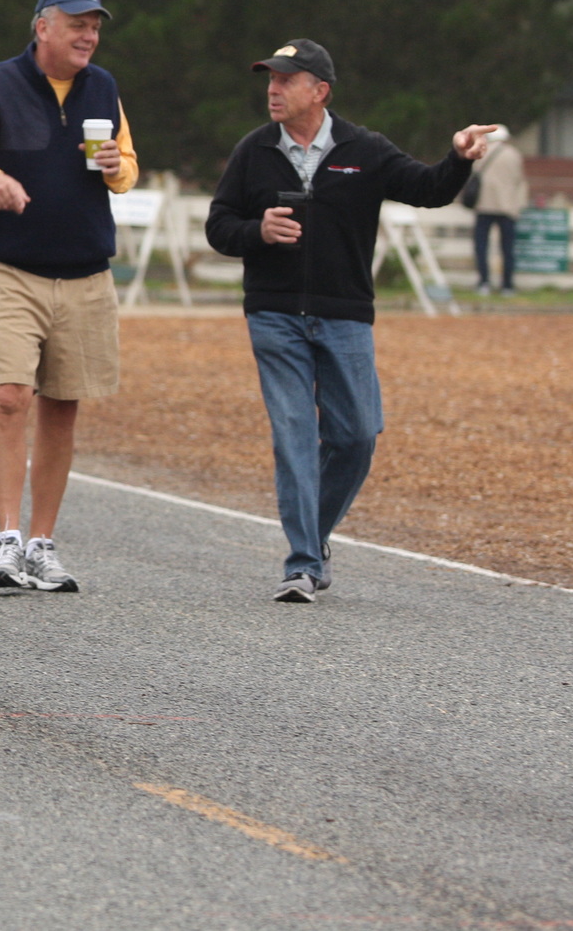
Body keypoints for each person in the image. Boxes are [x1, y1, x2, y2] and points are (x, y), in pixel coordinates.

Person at [205, 40, 495, 603]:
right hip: (274, 315)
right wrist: (255, 232)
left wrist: (458, 157)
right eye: (270, 78)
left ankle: (314, 539)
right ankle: (303, 565)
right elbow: (219, 224)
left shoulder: (366, 149)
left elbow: (429, 190)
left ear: (320, 90)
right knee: (294, 435)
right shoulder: (253, 151)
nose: (273, 88)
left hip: (346, 316)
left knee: (357, 435)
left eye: (287, 79)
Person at [0, 0, 137, 593]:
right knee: (9, 397)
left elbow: (129, 168)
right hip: (8, 270)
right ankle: (5, 542)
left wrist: (116, 167)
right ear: (43, 27)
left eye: (96, 25)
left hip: (84, 274)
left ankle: (41, 545)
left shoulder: (103, 88)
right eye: (78, 23)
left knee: (63, 406)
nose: (90, 35)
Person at [470, 127, 527, 294]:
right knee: (507, 248)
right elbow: (520, 181)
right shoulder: (514, 154)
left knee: (481, 246)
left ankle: (484, 283)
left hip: (484, 205)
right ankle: (507, 285)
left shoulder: (481, 153)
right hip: (507, 206)